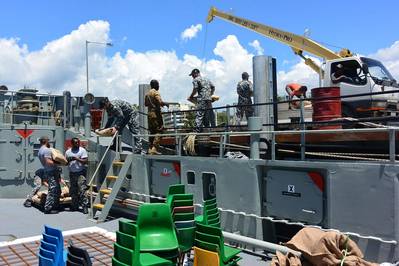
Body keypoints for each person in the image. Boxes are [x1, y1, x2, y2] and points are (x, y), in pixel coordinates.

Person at [37, 136, 61, 214]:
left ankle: (55, 205)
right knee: (52, 189)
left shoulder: (40, 150)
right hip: (51, 171)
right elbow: (48, 161)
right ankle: (48, 208)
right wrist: (60, 163)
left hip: (47, 170)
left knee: (57, 189)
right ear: (46, 141)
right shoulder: (46, 150)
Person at [65, 137, 89, 213]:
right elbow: (65, 162)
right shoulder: (68, 152)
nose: (77, 144)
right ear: (72, 143)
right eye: (75, 143)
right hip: (72, 173)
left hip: (80, 173)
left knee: (82, 190)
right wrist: (68, 160)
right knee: (73, 191)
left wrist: (76, 158)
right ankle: (74, 206)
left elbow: (85, 161)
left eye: (78, 142)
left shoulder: (82, 150)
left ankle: (85, 206)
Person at [145, 79, 168, 155]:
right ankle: (154, 148)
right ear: (155, 85)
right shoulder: (156, 92)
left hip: (149, 114)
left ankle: (149, 148)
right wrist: (166, 104)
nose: (159, 86)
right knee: (159, 130)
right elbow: (160, 102)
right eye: (158, 84)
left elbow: (146, 104)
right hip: (156, 114)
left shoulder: (147, 93)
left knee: (152, 132)